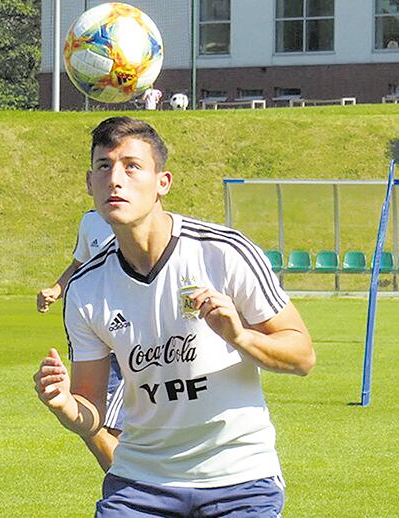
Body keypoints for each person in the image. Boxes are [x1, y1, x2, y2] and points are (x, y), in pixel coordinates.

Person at [34, 117, 315, 517]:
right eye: (104, 166)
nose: (116, 179)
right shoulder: (85, 289)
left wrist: (239, 337)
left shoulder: (223, 252)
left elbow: (302, 356)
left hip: (240, 481)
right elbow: (91, 412)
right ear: (89, 183)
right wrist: (65, 406)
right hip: (141, 484)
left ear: (162, 182)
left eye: (132, 166)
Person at [37, 208, 122, 472]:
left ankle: (134, 491)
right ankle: (131, 488)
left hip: (129, 339)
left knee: (110, 428)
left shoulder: (140, 221)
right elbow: (79, 264)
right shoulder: (91, 221)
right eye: (103, 166)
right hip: (94, 338)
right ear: (90, 181)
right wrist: (56, 289)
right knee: (95, 425)